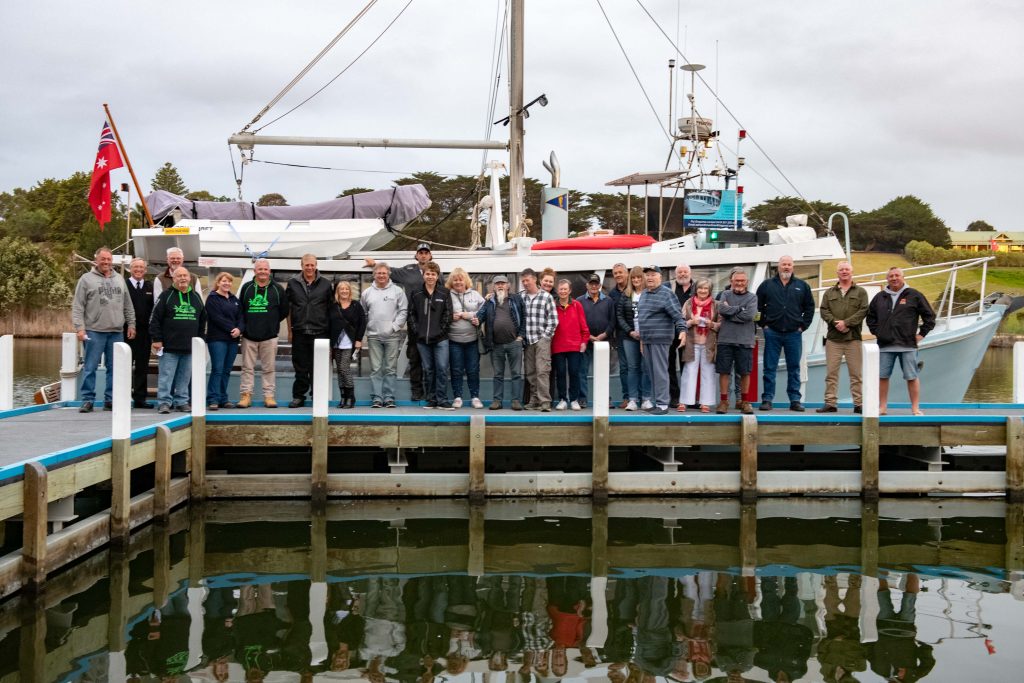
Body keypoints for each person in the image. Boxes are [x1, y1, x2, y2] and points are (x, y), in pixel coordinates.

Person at [365, 243, 436, 401]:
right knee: (415, 356)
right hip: (414, 322)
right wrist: (374, 264)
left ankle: (432, 393)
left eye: (426, 253)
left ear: (430, 255)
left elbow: (445, 293)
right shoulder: (408, 270)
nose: (423, 255)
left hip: (433, 323)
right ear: (416, 255)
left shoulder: (435, 271)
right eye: (421, 253)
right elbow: (390, 272)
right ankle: (417, 391)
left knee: (433, 359)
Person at [71, 246, 136, 412]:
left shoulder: (120, 279)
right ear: (96, 261)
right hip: (94, 331)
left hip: (116, 332)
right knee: (90, 366)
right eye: (103, 259)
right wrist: (80, 328)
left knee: (115, 368)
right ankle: (87, 400)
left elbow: (127, 304)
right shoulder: (86, 279)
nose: (106, 262)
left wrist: (131, 324)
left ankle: (111, 399)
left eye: (109, 259)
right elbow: (78, 306)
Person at [866, 267, 935, 416]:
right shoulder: (880, 297)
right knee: (882, 377)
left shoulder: (914, 295)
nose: (894, 278)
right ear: (887, 279)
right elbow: (870, 317)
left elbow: (930, 316)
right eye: (891, 276)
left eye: (897, 275)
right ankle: (882, 407)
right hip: (885, 345)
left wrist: (921, 334)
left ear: (903, 277)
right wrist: (878, 332)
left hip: (907, 345)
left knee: (912, 376)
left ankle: (915, 408)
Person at [756, 255, 815, 412]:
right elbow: (757, 307)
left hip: (794, 334)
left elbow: (809, 308)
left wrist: (803, 326)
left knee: (794, 367)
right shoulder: (767, 285)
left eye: (789, 264)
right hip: (772, 333)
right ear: (779, 266)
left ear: (793, 267)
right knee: (769, 367)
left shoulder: (802, 286)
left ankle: (795, 400)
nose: (786, 267)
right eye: (783, 264)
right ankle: (767, 399)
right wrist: (763, 325)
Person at [150, 266, 206, 414]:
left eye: (185, 276)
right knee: (166, 376)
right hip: (169, 346)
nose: (182, 278)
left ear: (189, 278)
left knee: (185, 377)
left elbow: (202, 320)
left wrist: (199, 341)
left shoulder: (196, 297)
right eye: (179, 276)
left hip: (189, 347)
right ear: (173, 279)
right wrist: (156, 339)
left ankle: (181, 401)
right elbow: (154, 319)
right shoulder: (165, 295)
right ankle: (164, 402)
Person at [818, 261, 870, 414]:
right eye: (841, 270)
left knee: (856, 374)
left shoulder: (860, 292)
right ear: (837, 273)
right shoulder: (829, 293)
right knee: (831, 374)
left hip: (853, 339)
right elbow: (823, 310)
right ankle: (830, 403)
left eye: (847, 269)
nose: (844, 272)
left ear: (851, 272)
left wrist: (847, 323)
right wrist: (835, 323)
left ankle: (859, 404)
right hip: (833, 339)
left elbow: (863, 310)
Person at [237, 258, 290, 409]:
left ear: (269, 271)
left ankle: (269, 396)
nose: (263, 272)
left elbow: (284, 310)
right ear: (255, 271)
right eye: (259, 269)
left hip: (269, 336)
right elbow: (240, 309)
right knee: (247, 368)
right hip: (249, 336)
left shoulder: (277, 289)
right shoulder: (247, 288)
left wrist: (271, 323)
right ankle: (246, 395)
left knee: (269, 368)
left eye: (265, 269)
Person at [636, 266, 687, 415]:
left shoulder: (667, 294)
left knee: (660, 372)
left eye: (653, 275)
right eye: (647, 275)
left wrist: (683, 331)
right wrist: (641, 340)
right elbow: (642, 317)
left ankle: (663, 404)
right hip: (646, 339)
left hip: (660, 339)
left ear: (660, 277)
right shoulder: (644, 293)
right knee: (651, 372)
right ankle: (658, 401)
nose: (649, 278)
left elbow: (678, 315)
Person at [286, 254, 333, 408]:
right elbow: (288, 309)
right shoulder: (292, 283)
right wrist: (290, 331)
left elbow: (331, 309)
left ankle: (317, 396)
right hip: (299, 331)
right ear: (302, 266)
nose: (310, 268)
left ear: (316, 265)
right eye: (307, 265)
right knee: (300, 367)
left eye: (312, 265)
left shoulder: (326, 284)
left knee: (317, 368)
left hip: (320, 332)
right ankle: (298, 397)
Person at [361, 262, 408, 408]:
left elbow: (403, 311)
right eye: (378, 273)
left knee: (390, 369)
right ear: (374, 275)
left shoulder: (398, 291)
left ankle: (389, 398)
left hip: (392, 336)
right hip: (373, 336)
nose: (381, 275)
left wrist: (394, 327)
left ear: (388, 275)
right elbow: (362, 313)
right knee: (375, 369)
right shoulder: (367, 293)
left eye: (384, 273)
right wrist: (368, 327)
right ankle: (377, 398)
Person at [409, 262, 453, 409]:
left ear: (437, 276)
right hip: (422, 340)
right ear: (423, 275)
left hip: (440, 339)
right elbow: (411, 315)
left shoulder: (444, 292)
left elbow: (448, 314)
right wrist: (417, 332)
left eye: (433, 274)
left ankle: (442, 399)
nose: (430, 276)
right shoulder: (416, 293)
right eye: (428, 273)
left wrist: (441, 332)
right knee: (428, 370)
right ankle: (431, 399)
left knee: (441, 368)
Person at [478, 275, 525, 410]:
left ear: (508, 285)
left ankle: (515, 401)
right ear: (493, 286)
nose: (500, 286)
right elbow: (480, 316)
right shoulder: (489, 301)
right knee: (498, 374)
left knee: (516, 373)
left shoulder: (516, 299)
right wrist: (475, 319)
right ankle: (497, 401)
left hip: (514, 343)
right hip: (496, 344)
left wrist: (521, 335)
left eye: (502, 283)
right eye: (497, 284)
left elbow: (524, 316)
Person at [715, 268, 758, 414]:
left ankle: (745, 402)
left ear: (747, 282)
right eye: (736, 281)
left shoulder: (752, 297)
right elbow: (721, 310)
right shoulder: (725, 294)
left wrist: (730, 312)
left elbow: (749, 315)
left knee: (745, 372)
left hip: (745, 340)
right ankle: (724, 401)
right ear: (731, 282)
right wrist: (740, 309)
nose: (739, 283)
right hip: (725, 339)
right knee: (724, 372)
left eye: (742, 281)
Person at [447, 267, 486, 409]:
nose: (458, 282)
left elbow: (484, 310)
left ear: (466, 281)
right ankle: (457, 397)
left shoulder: (475, 294)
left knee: (473, 369)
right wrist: (450, 317)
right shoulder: (447, 295)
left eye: (460, 279)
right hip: (454, 340)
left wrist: (469, 315)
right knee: (456, 369)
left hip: (472, 340)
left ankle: (475, 397)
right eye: (455, 280)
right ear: (452, 282)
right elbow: (441, 314)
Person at [520, 268, 557, 412]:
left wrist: (546, 337)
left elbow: (553, 320)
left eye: (527, 280)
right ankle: (534, 400)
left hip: (542, 339)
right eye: (522, 281)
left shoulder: (546, 297)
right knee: (530, 372)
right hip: (527, 340)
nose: (524, 283)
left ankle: (545, 401)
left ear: (535, 279)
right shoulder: (521, 297)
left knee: (542, 371)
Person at [679, 279, 719, 413]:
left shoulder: (716, 304)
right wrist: (691, 322)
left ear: (709, 291)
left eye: (705, 289)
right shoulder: (688, 303)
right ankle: (684, 402)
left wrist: (711, 324)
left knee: (708, 372)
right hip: (691, 342)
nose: (702, 291)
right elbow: (680, 322)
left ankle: (705, 403)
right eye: (700, 288)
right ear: (696, 289)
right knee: (689, 371)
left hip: (709, 343)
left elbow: (721, 325)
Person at [205, 272, 244, 410]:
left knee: (227, 370)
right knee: (217, 369)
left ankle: (223, 398)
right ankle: (213, 399)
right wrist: (232, 328)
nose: (226, 283)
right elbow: (216, 318)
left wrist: (239, 329)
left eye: (229, 281)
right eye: (223, 281)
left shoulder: (234, 299)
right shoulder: (212, 298)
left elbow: (241, 316)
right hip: (217, 339)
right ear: (218, 282)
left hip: (232, 340)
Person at [577, 273, 615, 409]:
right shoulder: (579, 301)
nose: (593, 286)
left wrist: (603, 335)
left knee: (603, 372)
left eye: (596, 284)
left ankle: (606, 399)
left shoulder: (609, 301)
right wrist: (589, 337)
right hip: (586, 342)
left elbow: (612, 321)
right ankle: (582, 399)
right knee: (582, 372)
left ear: (599, 285)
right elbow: (577, 322)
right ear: (587, 285)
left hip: (604, 342)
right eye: (591, 283)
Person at [552, 279, 590, 410]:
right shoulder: (553, 305)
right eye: (561, 289)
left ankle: (574, 399)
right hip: (558, 346)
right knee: (560, 373)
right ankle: (562, 399)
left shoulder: (577, 305)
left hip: (574, 345)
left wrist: (584, 341)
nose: (563, 291)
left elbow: (584, 326)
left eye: (565, 289)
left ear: (570, 290)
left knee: (574, 372)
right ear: (558, 290)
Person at [615, 266, 650, 411]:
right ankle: (633, 399)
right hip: (630, 337)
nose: (636, 280)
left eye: (639, 277)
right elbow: (620, 316)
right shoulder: (626, 294)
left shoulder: (650, 294)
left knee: (646, 367)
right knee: (632, 368)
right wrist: (630, 331)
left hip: (648, 336)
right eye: (633, 278)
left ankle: (646, 399)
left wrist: (645, 332)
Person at [328, 281, 367, 409]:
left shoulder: (356, 305)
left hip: (349, 343)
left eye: (346, 289)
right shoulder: (333, 306)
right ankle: (343, 397)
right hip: (336, 343)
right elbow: (328, 325)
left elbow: (362, 322)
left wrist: (359, 339)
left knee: (344, 368)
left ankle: (351, 397)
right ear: (337, 292)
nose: (344, 291)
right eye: (341, 289)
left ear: (350, 291)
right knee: (339, 370)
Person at [124, 257, 153, 408]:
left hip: (145, 334)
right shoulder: (124, 285)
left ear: (145, 270)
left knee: (142, 367)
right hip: (126, 332)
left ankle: (140, 399)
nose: (139, 270)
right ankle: (123, 397)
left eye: (141, 267)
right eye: (136, 267)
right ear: (130, 268)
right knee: (125, 366)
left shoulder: (150, 286)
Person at [668, 264, 696, 407]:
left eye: (685, 272)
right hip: (670, 332)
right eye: (680, 272)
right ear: (675, 274)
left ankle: (687, 398)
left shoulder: (697, 288)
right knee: (669, 365)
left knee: (687, 365)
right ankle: (674, 396)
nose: (682, 274)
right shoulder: (669, 287)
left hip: (690, 333)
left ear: (690, 273)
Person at [607, 263, 631, 408]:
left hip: (638, 335)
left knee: (639, 367)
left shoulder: (634, 289)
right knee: (624, 368)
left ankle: (639, 397)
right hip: (621, 335)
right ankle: (627, 397)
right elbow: (612, 317)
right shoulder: (612, 294)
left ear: (627, 273)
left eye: (620, 272)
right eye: (615, 273)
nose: (618, 275)